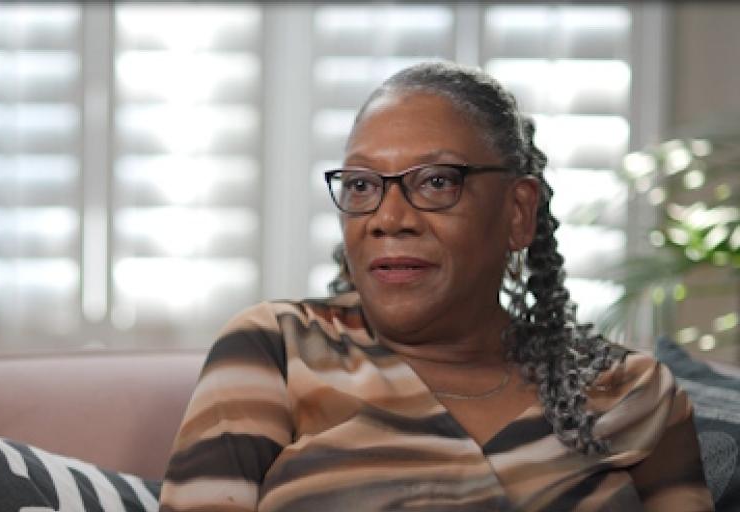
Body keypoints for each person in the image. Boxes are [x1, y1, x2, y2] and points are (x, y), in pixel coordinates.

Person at [159, 61, 713, 511]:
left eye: (436, 182)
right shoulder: (276, 349)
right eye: (361, 185)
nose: (387, 217)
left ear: (518, 213)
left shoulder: (633, 394)